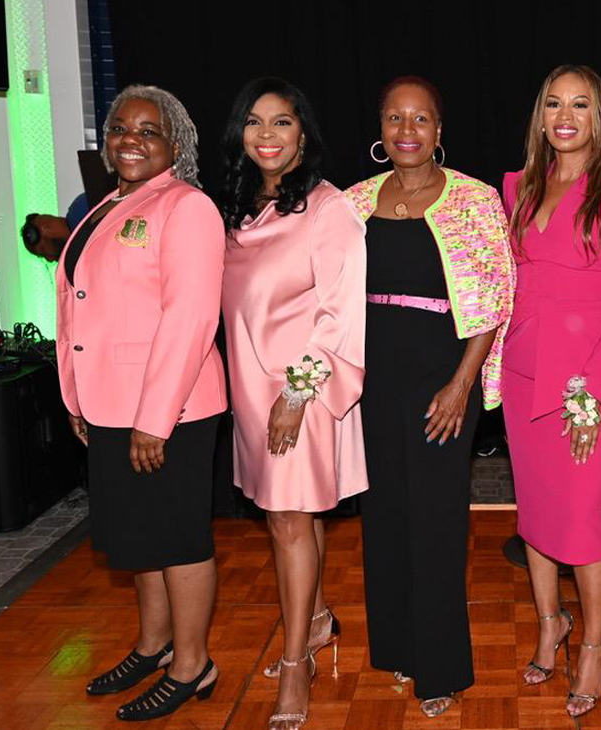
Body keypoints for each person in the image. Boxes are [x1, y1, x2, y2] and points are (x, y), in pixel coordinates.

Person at [343, 76, 515, 719]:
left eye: (420, 119)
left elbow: (497, 296)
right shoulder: (353, 202)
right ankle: (397, 649)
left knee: (438, 524)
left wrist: (462, 383)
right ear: (381, 130)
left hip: (444, 378)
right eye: (395, 118)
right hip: (373, 381)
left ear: (439, 131)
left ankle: (441, 667)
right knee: (383, 517)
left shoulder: (474, 199)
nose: (407, 130)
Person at [55, 85, 227, 721]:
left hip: (169, 411)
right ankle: (154, 645)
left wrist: (155, 420)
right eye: (122, 128)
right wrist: (75, 395)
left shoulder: (187, 208)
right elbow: (80, 304)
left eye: (149, 130)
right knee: (139, 539)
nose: (132, 138)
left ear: (175, 146)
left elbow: (190, 318)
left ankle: (193, 664)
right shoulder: (106, 205)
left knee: (177, 539)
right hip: (108, 404)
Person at [216, 77, 367, 730]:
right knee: (293, 522)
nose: (268, 135)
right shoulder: (236, 207)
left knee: (287, 522)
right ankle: (316, 621)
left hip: (298, 392)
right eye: (255, 122)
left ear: (304, 135)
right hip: (248, 391)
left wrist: (297, 394)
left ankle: (297, 664)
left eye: (282, 122)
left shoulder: (328, 208)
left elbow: (340, 310)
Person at [500, 64, 601, 719]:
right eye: (554, 103)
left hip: (588, 376)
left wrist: (590, 388)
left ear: (599, 118)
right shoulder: (521, 187)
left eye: (580, 104)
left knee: (583, 521)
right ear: (541, 115)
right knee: (533, 514)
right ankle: (548, 623)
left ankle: (590, 644)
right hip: (521, 371)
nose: (565, 115)